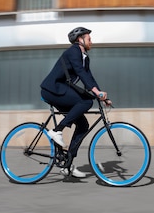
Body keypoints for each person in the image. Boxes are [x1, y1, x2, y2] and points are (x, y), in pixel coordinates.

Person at [40, 27, 111, 178]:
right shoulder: (73, 51)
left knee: (83, 125)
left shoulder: (85, 57)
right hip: (52, 90)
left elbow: (88, 77)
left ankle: (67, 164)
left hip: (61, 91)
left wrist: (101, 95)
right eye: (89, 39)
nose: (91, 41)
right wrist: (96, 93)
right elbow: (79, 72)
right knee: (86, 103)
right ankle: (56, 130)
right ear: (80, 39)